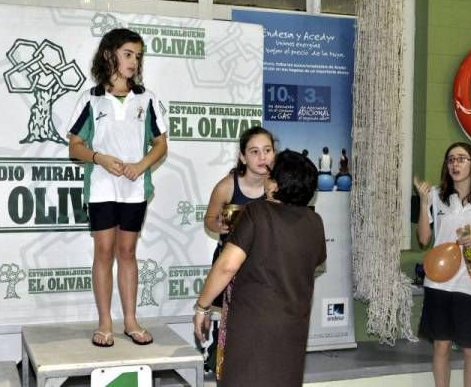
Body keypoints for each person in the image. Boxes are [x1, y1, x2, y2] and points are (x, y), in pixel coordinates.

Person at [68, 28, 167, 347]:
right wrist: (99, 158)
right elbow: (75, 147)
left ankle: (131, 321)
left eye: (138, 56)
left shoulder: (147, 98)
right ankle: (105, 323)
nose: (134, 62)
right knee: (104, 252)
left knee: (127, 252)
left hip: (134, 190)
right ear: (109, 55)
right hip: (100, 189)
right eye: (128, 54)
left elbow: (160, 145)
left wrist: (141, 165)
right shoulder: (91, 98)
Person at [194, 150, 326, 387]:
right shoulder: (315, 223)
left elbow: (227, 266)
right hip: (292, 329)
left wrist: (202, 307)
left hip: (251, 328)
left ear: (274, 185)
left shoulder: (257, 213)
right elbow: (313, 262)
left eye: (270, 174)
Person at [202, 126, 275, 376]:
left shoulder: (278, 188)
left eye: (267, 150)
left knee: (263, 318)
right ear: (243, 157)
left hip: (265, 265)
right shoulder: (226, 186)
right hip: (229, 262)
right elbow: (209, 219)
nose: (262, 157)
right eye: (254, 152)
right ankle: (218, 361)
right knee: (225, 318)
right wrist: (219, 224)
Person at [414, 142, 471, 387]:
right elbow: (423, 239)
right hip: (438, 283)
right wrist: (423, 203)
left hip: (469, 283)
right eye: (450, 159)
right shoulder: (435, 195)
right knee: (441, 346)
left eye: (461, 158)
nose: (455, 163)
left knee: (469, 347)